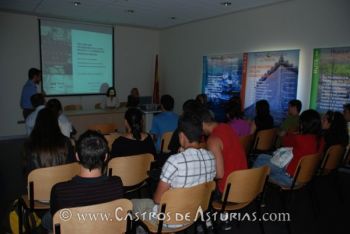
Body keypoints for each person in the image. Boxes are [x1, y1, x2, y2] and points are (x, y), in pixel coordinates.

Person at [132, 113, 216, 227]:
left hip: (169, 220)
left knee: (131, 204)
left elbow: (157, 199)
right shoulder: (211, 157)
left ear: (181, 136)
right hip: (196, 215)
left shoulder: (174, 161)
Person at [42, 130, 124, 230]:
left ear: (77, 156)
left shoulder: (60, 190)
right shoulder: (117, 184)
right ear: (106, 157)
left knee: (47, 219)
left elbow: (57, 221)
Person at [254, 109, 324, 187]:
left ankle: (253, 187)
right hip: (305, 175)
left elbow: (284, 141)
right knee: (261, 157)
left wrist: (290, 133)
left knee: (260, 166)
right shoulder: (321, 140)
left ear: (304, 124)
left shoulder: (300, 139)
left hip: (289, 178)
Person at [199, 107, 247, 195]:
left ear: (202, 123)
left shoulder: (213, 140)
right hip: (244, 184)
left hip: (227, 191)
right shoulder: (227, 127)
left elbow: (219, 175)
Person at [24, 108, 74, 174]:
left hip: (39, 183)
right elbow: (71, 166)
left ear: (37, 122)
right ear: (56, 122)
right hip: (63, 182)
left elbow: (27, 171)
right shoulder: (66, 142)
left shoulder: (29, 145)